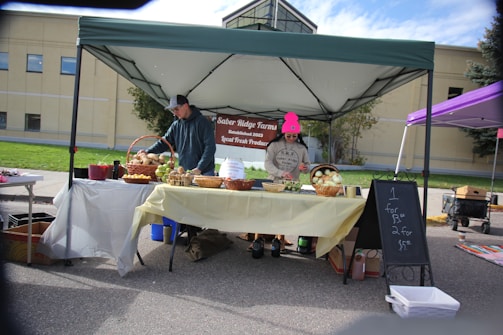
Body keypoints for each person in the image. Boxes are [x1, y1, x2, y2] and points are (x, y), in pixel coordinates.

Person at [250, 111, 311, 254]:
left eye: (294, 136)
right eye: (288, 135)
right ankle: (258, 238)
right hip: (272, 183)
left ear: (298, 135)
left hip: (291, 185)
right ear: (283, 133)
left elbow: (308, 167)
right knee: (265, 211)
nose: (291, 138)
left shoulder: (302, 148)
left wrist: (305, 168)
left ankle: (280, 239)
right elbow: (267, 164)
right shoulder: (274, 146)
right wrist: (280, 173)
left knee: (283, 213)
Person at [138, 94, 216, 176]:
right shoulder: (176, 125)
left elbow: (210, 147)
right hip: (184, 172)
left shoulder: (203, 122)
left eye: (176, 109)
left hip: (204, 172)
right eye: (173, 110)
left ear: (186, 106)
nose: (175, 113)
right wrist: (147, 152)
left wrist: (200, 168)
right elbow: (164, 142)